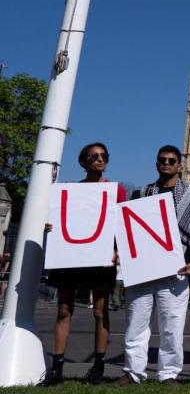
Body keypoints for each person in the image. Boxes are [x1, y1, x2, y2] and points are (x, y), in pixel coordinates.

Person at [119, 145, 190, 385]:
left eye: (171, 160)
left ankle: (168, 374)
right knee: (136, 323)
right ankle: (133, 372)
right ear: (156, 164)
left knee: (172, 327)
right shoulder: (141, 193)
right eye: (162, 160)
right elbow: (128, 231)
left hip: (175, 271)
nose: (166, 163)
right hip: (143, 270)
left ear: (179, 165)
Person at [41, 143, 126, 385]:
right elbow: (59, 219)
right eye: (94, 156)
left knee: (100, 312)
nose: (100, 159)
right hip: (71, 256)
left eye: (104, 156)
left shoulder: (116, 190)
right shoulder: (69, 191)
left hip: (100, 257)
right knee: (64, 310)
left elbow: (120, 223)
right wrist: (51, 226)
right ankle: (56, 369)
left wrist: (117, 249)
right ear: (83, 162)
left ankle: (98, 367)